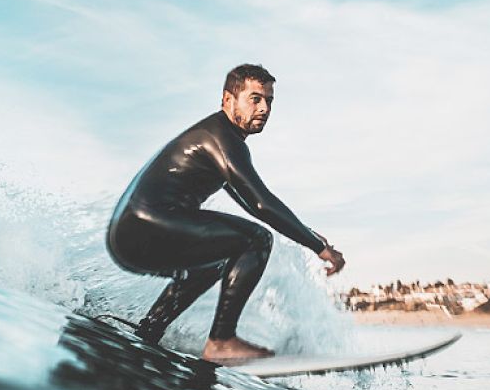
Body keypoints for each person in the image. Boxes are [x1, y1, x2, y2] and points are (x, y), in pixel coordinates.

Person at [106, 64, 345, 362]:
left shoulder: (220, 140)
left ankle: (150, 330)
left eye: (269, 100)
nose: (265, 108)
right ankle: (221, 341)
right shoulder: (220, 137)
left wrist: (308, 232)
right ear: (228, 100)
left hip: (128, 234)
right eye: (255, 99)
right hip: (143, 228)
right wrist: (319, 247)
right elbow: (261, 204)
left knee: (215, 259)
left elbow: (249, 199)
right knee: (257, 239)